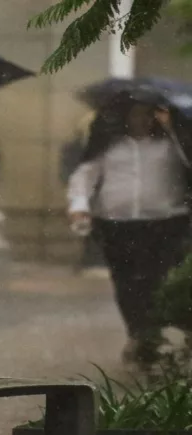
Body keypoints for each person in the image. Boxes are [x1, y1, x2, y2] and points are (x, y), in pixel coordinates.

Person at [67, 93, 192, 364]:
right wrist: (79, 204)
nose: (143, 120)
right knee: (126, 282)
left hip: (164, 222)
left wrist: (174, 128)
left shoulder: (171, 143)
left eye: (149, 113)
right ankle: (138, 332)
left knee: (156, 280)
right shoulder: (109, 144)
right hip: (118, 224)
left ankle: (151, 335)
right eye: (137, 113)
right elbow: (85, 174)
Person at [60, 111, 107, 276]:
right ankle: (91, 261)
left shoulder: (103, 147)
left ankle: (95, 261)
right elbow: (67, 171)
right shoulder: (75, 148)